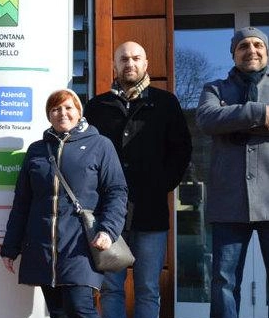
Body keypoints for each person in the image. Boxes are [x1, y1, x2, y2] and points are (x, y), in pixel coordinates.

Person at [84, 41, 192, 318]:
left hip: (150, 211)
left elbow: (181, 150)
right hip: (108, 215)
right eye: (123, 59)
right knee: (111, 288)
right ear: (115, 65)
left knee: (147, 288)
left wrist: (160, 186)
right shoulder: (97, 106)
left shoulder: (166, 103)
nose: (129, 63)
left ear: (146, 65)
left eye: (136, 58)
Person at [0, 89, 128, 318]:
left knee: (80, 309)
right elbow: (22, 202)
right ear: (49, 115)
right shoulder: (37, 150)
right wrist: (10, 247)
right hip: (42, 246)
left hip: (80, 245)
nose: (62, 113)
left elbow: (116, 191)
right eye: (55, 109)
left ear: (79, 112)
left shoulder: (100, 145)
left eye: (68, 107)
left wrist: (108, 229)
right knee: (58, 312)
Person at [196, 27, 269, 318]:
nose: (251, 50)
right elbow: (207, 119)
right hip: (228, 201)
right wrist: (260, 114)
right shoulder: (214, 89)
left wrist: (233, 118)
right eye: (243, 46)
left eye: (257, 45)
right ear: (233, 53)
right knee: (224, 281)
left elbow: (222, 119)